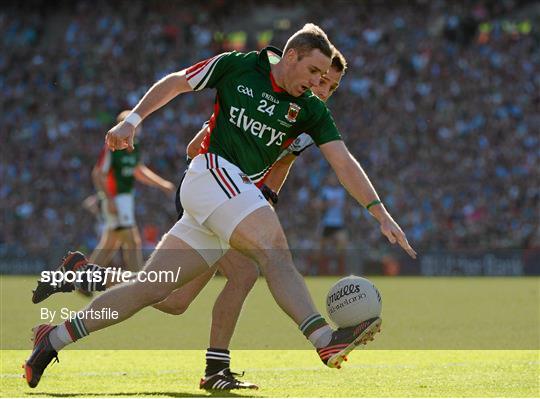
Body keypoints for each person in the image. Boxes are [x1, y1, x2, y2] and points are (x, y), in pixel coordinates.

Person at [24, 23, 416, 389]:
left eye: (325, 80)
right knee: (270, 252)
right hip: (211, 175)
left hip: (228, 195)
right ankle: (322, 339)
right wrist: (134, 121)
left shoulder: (311, 111)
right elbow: (179, 82)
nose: (318, 84)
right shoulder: (240, 66)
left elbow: (342, 161)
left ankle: (53, 337)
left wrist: (379, 211)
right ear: (292, 55)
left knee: (155, 292)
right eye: (314, 72)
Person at [89, 110, 176, 273]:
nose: (137, 128)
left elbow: (138, 170)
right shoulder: (112, 147)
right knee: (133, 242)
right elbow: (98, 174)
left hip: (125, 198)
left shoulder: (134, 145)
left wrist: (162, 184)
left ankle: (84, 279)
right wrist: (109, 200)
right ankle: (138, 282)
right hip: (116, 198)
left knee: (110, 243)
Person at [317, 172, 349, 275]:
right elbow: (318, 205)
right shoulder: (325, 191)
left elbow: (346, 206)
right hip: (327, 222)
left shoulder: (342, 191)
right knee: (321, 247)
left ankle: (339, 269)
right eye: (331, 178)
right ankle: (321, 270)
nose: (333, 180)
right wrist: (328, 204)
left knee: (342, 243)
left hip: (338, 223)